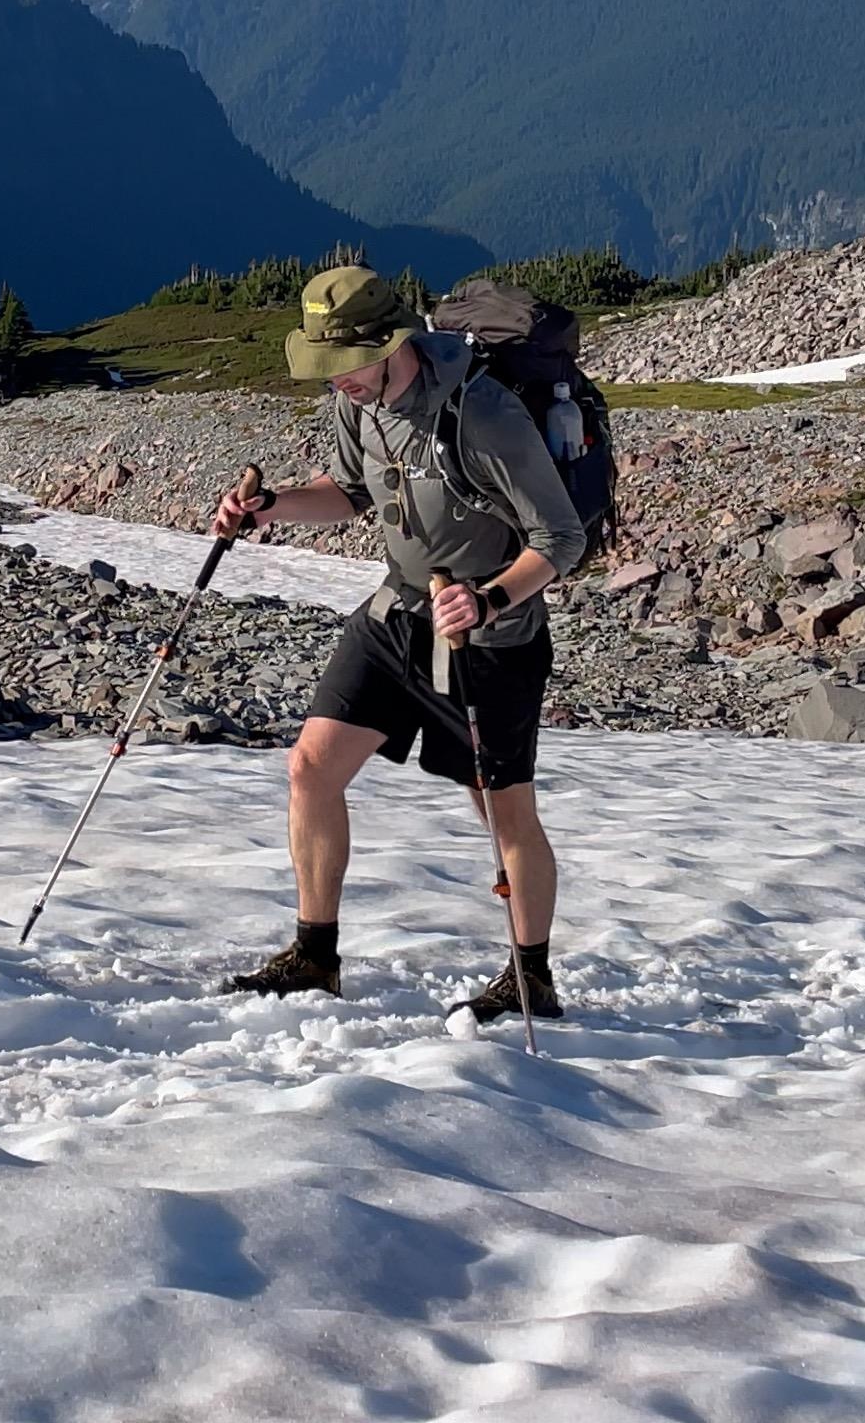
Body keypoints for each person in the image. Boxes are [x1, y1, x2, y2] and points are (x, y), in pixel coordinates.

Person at [210, 263, 587, 1020]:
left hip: (493, 637)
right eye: (325, 366)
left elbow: (562, 538)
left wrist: (488, 600)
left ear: (395, 344)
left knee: (501, 808)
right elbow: (351, 492)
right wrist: (269, 509)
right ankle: (314, 957)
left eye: (346, 364)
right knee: (311, 766)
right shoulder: (358, 404)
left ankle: (531, 979)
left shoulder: (484, 415)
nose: (336, 381)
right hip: (398, 615)